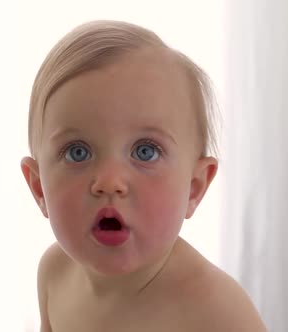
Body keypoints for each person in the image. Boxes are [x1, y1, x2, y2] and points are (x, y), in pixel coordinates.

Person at [20, 20, 266, 331]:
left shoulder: (215, 311)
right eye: (77, 152)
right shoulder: (55, 274)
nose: (109, 182)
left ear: (194, 188)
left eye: (145, 151)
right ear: (39, 187)